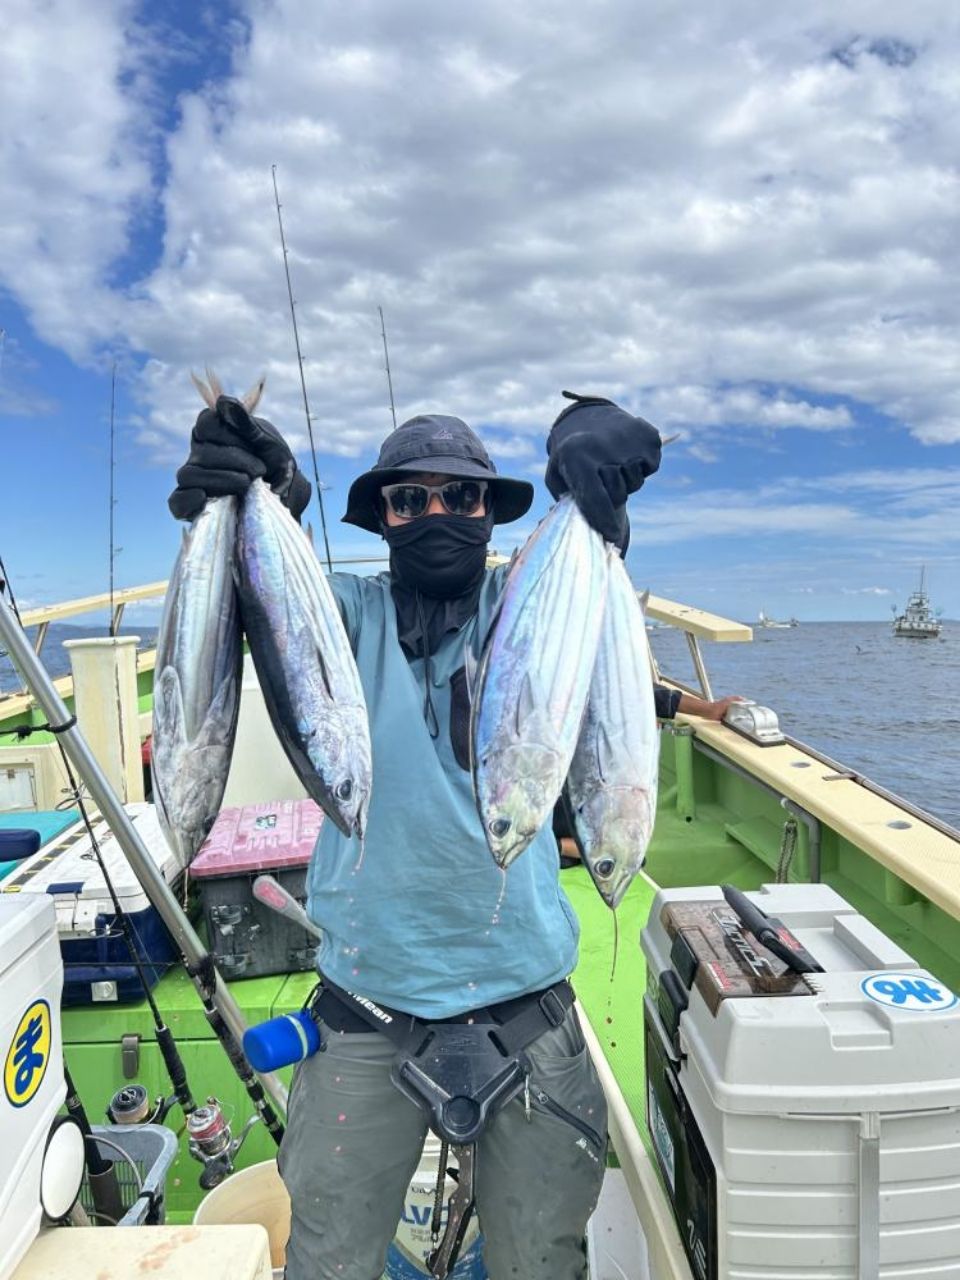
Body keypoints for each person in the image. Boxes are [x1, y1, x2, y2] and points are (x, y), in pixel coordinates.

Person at [168, 389, 664, 1280]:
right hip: (367, 997)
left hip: (528, 996)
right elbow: (279, 605)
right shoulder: (349, 615)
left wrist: (589, 452)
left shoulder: (529, 598)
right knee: (327, 1256)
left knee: (543, 1259)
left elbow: (584, 571)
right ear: (383, 520)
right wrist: (264, 495)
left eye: (461, 497)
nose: (437, 514)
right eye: (409, 500)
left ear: (489, 511)